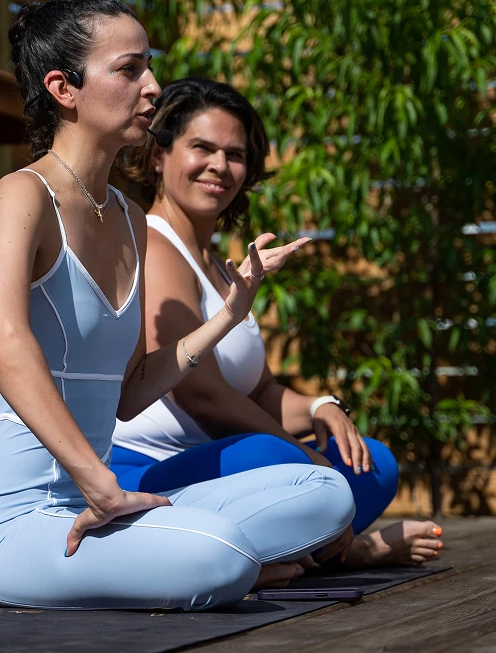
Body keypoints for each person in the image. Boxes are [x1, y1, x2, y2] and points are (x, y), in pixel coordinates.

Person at [0, 0, 356, 611]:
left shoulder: (131, 218)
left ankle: (198, 562)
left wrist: (227, 317)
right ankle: (215, 563)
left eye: (149, 67)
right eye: (129, 69)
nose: (153, 87)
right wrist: (98, 485)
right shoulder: (23, 194)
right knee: (218, 552)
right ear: (64, 87)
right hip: (10, 522)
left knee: (325, 493)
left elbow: (132, 389)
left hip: (101, 506)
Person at [112, 77, 443, 567]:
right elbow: (200, 395)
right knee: (277, 459)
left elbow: (261, 391)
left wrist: (319, 407)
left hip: (218, 467)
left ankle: (300, 554)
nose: (219, 166)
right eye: (201, 147)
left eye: (235, 154)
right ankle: (344, 553)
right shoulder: (155, 243)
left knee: (370, 463)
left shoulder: (222, 266)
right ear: (159, 155)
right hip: (149, 476)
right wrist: (301, 454)